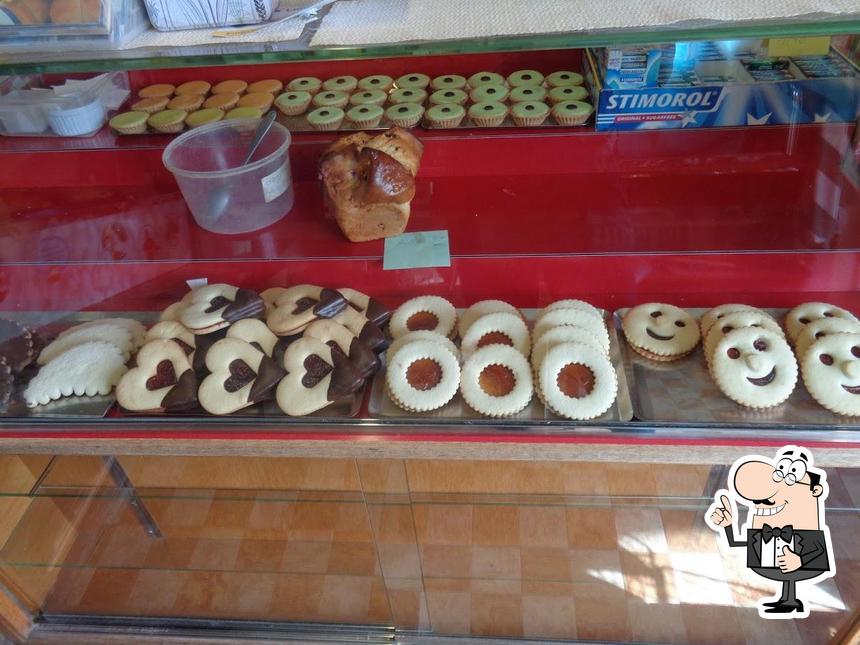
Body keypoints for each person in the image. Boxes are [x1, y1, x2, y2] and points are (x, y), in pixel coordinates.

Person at [705, 446, 834, 616]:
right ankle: (787, 599)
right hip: (768, 562)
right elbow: (735, 543)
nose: (765, 502)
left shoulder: (808, 530)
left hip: (798, 564)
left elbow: (817, 551)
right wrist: (728, 524)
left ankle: (790, 600)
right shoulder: (763, 528)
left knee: (791, 574)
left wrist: (800, 560)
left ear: (815, 491)